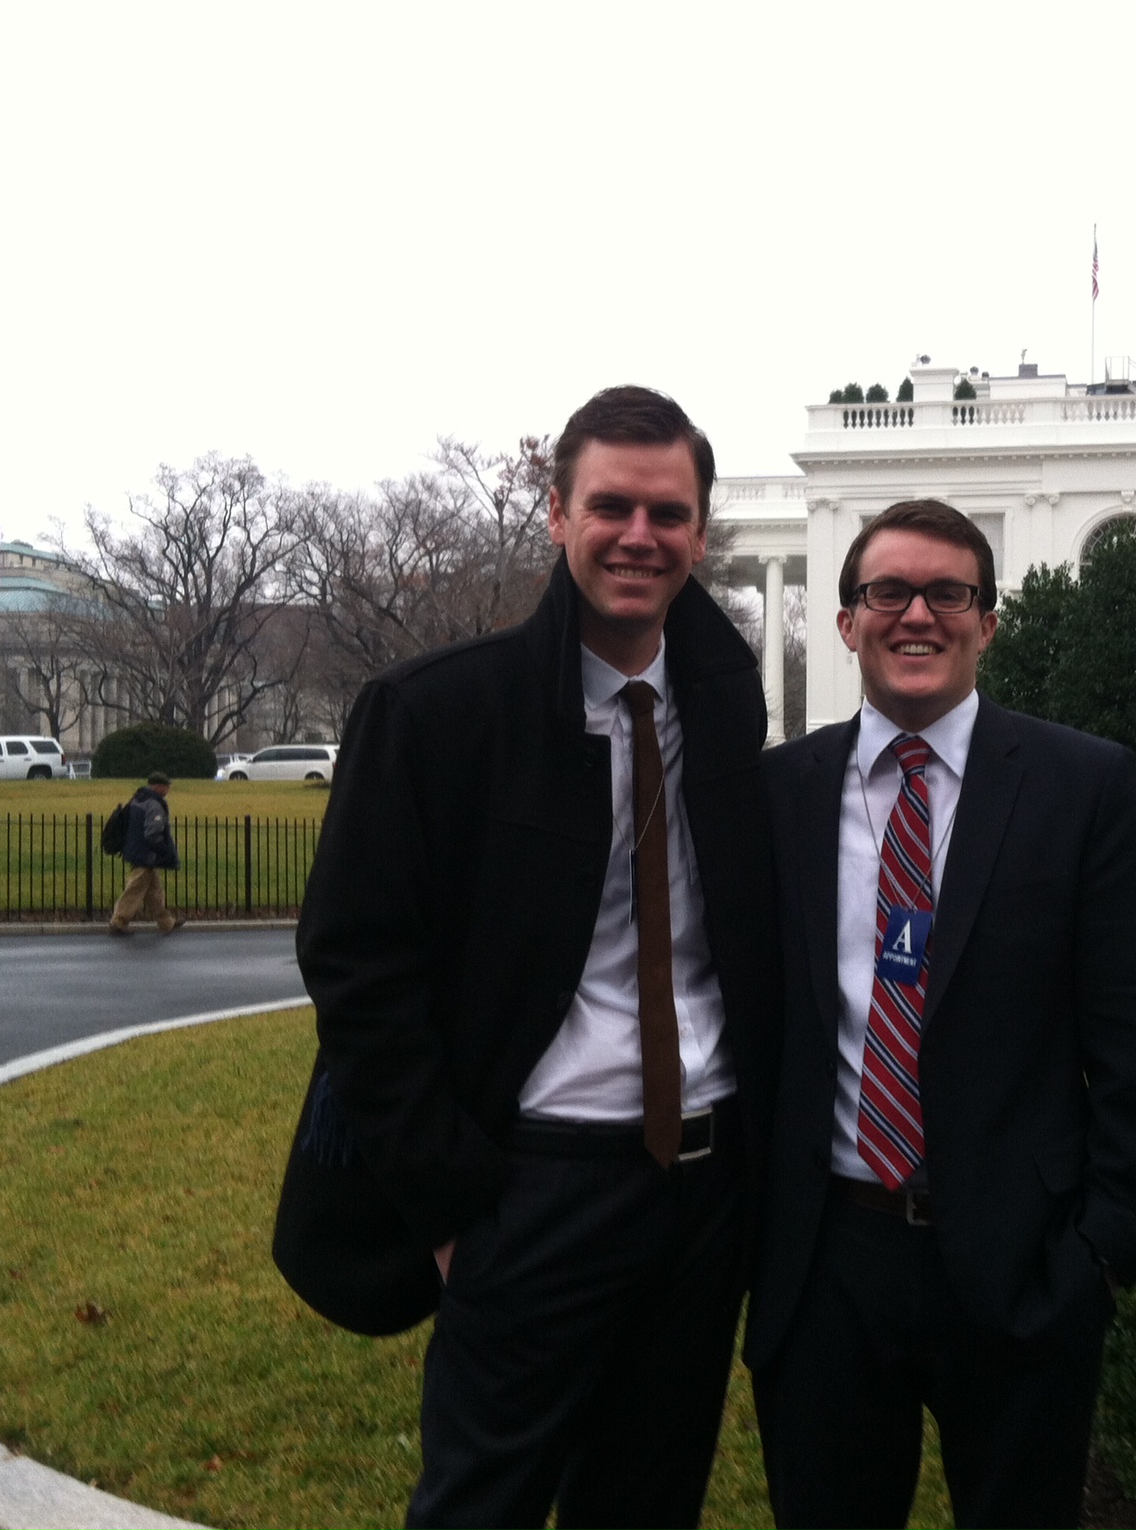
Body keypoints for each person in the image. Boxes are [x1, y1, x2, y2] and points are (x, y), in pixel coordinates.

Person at [293, 386, 778, 1530]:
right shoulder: (436, 714)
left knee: (646, 1504)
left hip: (702, 1191)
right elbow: (357, 967)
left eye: (668, 514)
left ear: (699, 534)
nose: (638, 537)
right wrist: (452, 1209)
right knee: (484, 1505)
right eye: (610, 506)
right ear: (556, 513)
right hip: (531, 1187)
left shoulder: (720, 701)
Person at [749, 499, 1136, 1530]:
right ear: (845, 621)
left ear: (986, 622)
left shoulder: (1081, 785)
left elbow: (1133, 1035)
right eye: (886, 592)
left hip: (1021, 1261)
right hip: (825, 1266)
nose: (917, 615)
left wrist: (1103, 1250)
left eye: (948, 593)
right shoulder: (773, 796)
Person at [109, 772, 183, 936]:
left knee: (154, 892)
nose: (168, 788)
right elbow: (152, 833)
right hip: (146, 855)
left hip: (135, 849)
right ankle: (118, 922)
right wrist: (163, 851)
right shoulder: (154, 804)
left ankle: (166, 922)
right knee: (135, 889)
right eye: (166, 786)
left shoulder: (137, 799)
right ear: (157, 786)